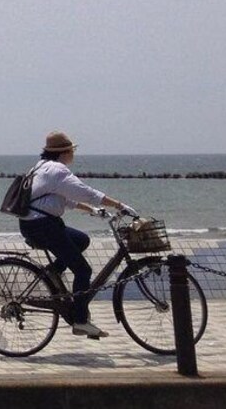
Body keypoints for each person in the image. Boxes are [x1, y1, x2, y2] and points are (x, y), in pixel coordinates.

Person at [18, 131, 137, 339]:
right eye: (72, 149)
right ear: (64, 152)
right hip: (43, 226)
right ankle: (80, 321)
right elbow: (86, 192)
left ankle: (53, 272)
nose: (73, 153)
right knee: (83, 270)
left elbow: (62, 199)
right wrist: (120, 205)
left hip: (36, 224)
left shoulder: (41, 167)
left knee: (82, 240)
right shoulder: (57, 170)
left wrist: (93, 210)